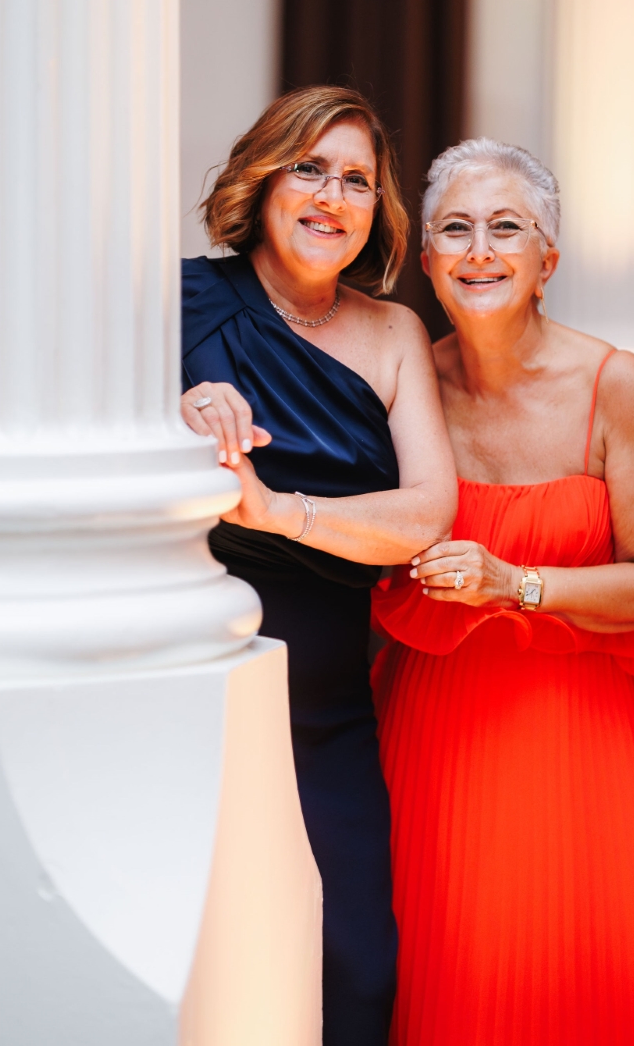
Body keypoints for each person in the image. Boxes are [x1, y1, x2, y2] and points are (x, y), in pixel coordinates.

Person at [371, 138, 634, 1046]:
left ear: (548, 262)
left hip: (585, 744)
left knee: (611, 980)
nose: (479, 250)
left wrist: (513, 582)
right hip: (435, 741)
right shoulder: (408, 379)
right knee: (450, 980)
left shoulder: (611, 383)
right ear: (426, 262)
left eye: (507, 228)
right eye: (454, 229)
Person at [180, 87, 457, 1046]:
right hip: (201, 689)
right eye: (309, 167)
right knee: (215, 962)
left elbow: (425, 513)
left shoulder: (392, 334)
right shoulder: (177, 305)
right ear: (262, 180)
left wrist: (277, 510)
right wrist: (175, 419)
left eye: (357, 179)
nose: (331, 194)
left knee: (357, 966)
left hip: (333, 704)